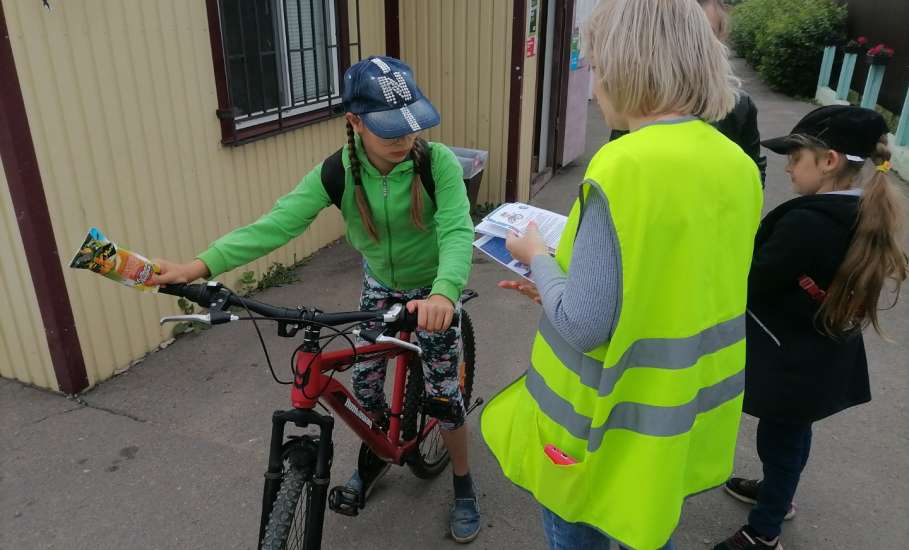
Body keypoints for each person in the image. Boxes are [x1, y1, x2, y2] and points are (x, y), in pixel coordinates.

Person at [150, 56, 482, 543]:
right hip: (379, 289)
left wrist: (444, 293)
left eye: (410, 126)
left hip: (433, 292)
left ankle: (463, 482)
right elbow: (277, 224)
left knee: (443, 397)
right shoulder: (337, 173)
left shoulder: (437, 165)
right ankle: (376, 457)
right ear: (354, 121)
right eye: (389, 130)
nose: (404, 139)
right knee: (366, 391)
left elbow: (456, 229)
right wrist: (200, 266)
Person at [484, 1, 763, 548]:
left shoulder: (624, 163)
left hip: (596, 425)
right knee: (644, 525)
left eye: (594, 64)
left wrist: (538, 255)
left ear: (624, 65)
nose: (593, 83)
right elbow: (665, 281)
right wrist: (557, 283)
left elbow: (586, 326)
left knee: (580, 527)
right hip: (674, 418)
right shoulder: (736, 164)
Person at [714, 105, 908, 550]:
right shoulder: (863, 210)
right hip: (821, 352)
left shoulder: (808, 221)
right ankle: (779, 498)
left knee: (780, 440)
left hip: (795, 359)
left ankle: (764, 531)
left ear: (829, 161)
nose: (787, 166)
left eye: (796, 157)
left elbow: (752, 281)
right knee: (794, 435)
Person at [607, 0, 767, 184]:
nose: (692, 49)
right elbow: (616, 168)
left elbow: (754, 171)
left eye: (706, 36)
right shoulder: (639, 100)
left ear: (721, 37)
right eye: (682, 36)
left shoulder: (738, 106)